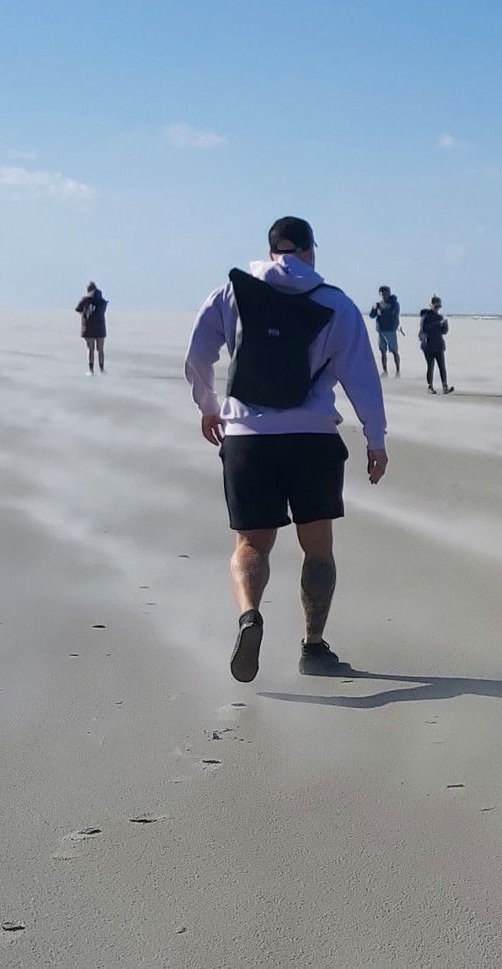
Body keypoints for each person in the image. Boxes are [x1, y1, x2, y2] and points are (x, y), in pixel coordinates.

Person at [183, 216, 388, 682]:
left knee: (252, 543)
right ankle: (313, 648)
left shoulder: (232, 293)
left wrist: (210, 406)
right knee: (317, 549)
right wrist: (375, 438)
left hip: (247, 440)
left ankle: (249, 616)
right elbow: (362, 378)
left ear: (271, 249)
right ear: (312, 251)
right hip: (312, 438)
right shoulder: (335, 303)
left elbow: (198, 356)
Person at [419, 297, 453, 394]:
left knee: (442, 366)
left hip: (439, 344)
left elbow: (443, 332)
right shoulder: (425, 316)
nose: (438, 308)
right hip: (428, 345)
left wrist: (445, 325)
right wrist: (437, 323)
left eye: (439, 306)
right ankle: (430, 387)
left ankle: (445, 386)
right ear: (431, 305)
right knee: (430, 366)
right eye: (436, 306)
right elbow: (424, 330)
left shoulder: (440, 317)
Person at [367, 286, 401, 378]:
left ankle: (398, 371)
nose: (383, 295)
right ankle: (385, 371)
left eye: (385, 293)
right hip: (381, 330)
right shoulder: (378, 304)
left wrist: (381, 311)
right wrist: (374, 308)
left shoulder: (394, 304)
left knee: (394, 351)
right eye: (381, 294)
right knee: (383, 352)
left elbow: (393, 313)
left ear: (389, 293)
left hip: (390, 330)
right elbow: (371, 316)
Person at [75, 282, 108, 374]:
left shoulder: (85, 299)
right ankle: (102, 369)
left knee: (91, 350)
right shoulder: (102, 301)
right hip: (100, 328)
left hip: (88, 328)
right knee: (100, 349)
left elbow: (77, 309)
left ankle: (91, 370)